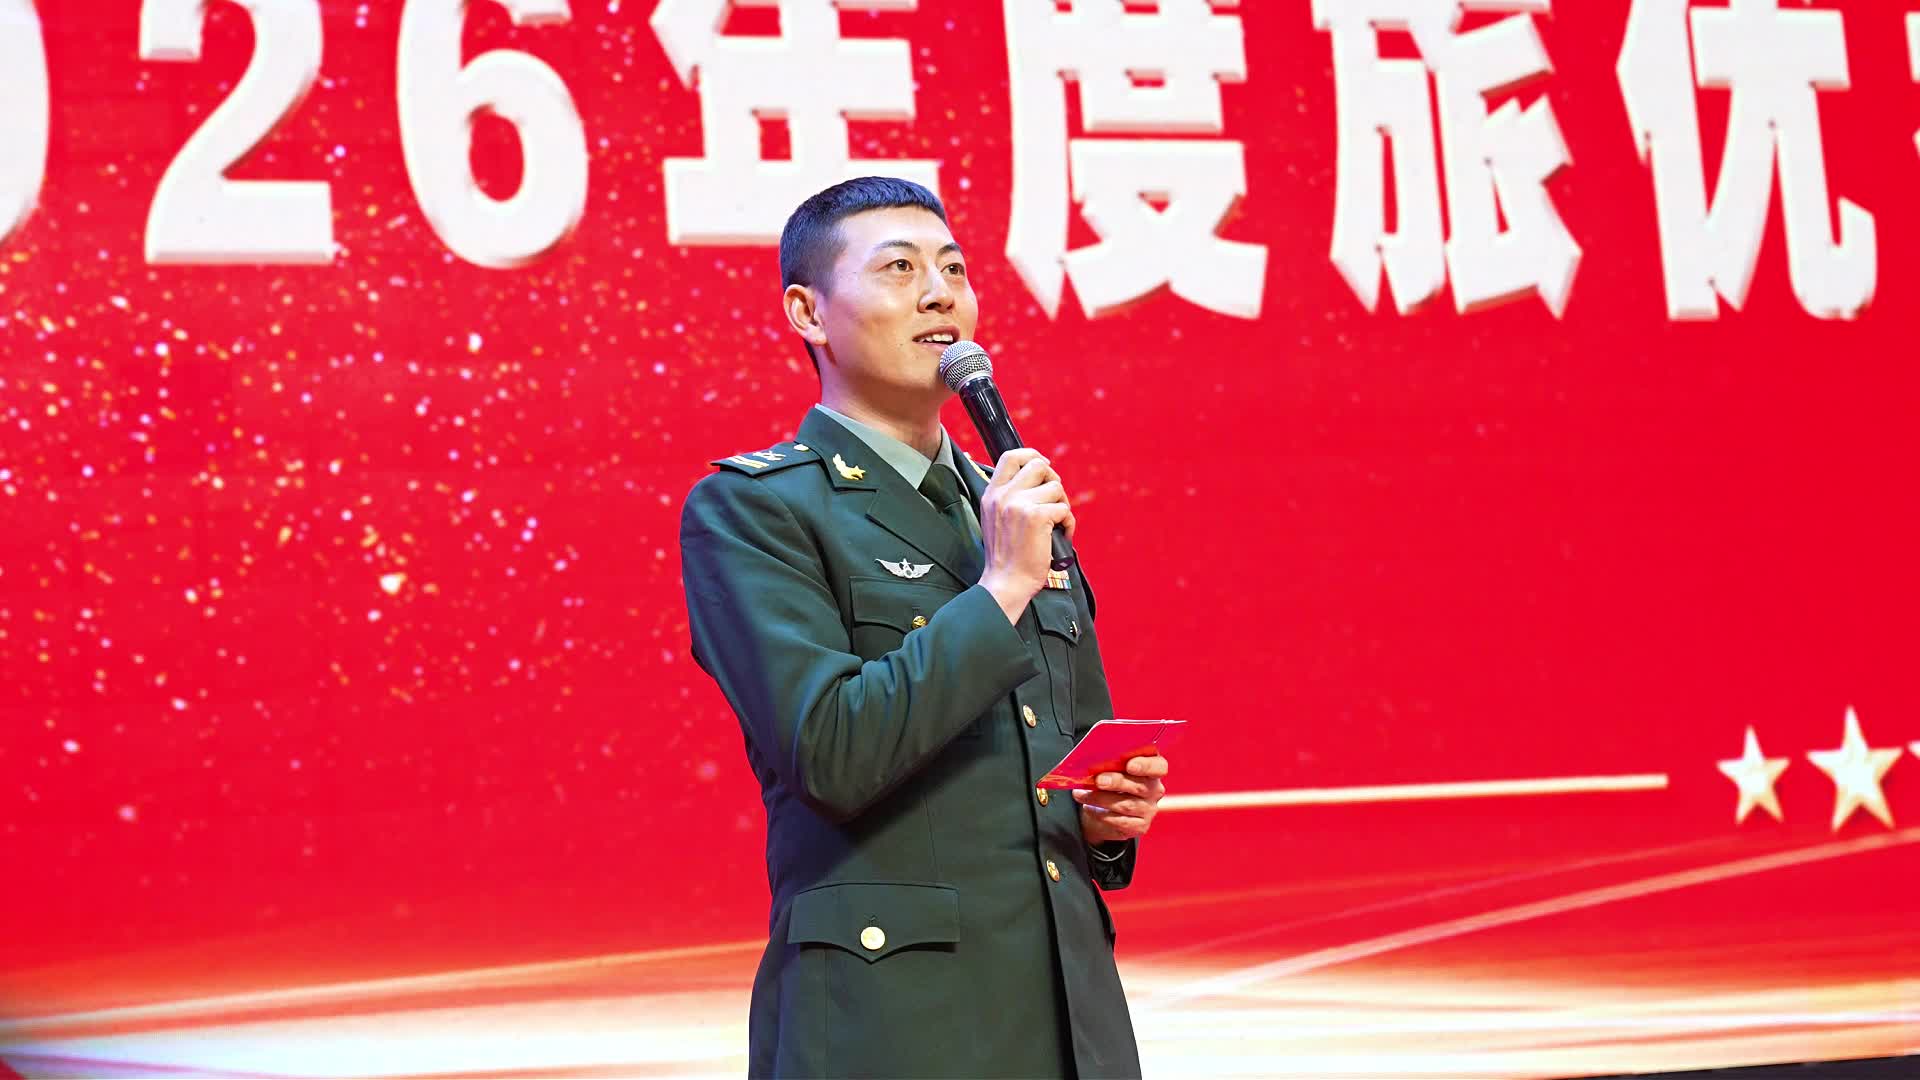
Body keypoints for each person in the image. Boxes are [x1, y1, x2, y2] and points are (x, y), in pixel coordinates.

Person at [679, 176, 1169, 1078]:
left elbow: (1068, 752)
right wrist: (1000, 587)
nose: (940, 294)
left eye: (953, 268)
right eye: (899, 269)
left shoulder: (1011, 504)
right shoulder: (755, 510)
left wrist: (1106, 818)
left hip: (1070, 1017)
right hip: (892, 1023)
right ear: (809, 313)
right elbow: (831, 751)